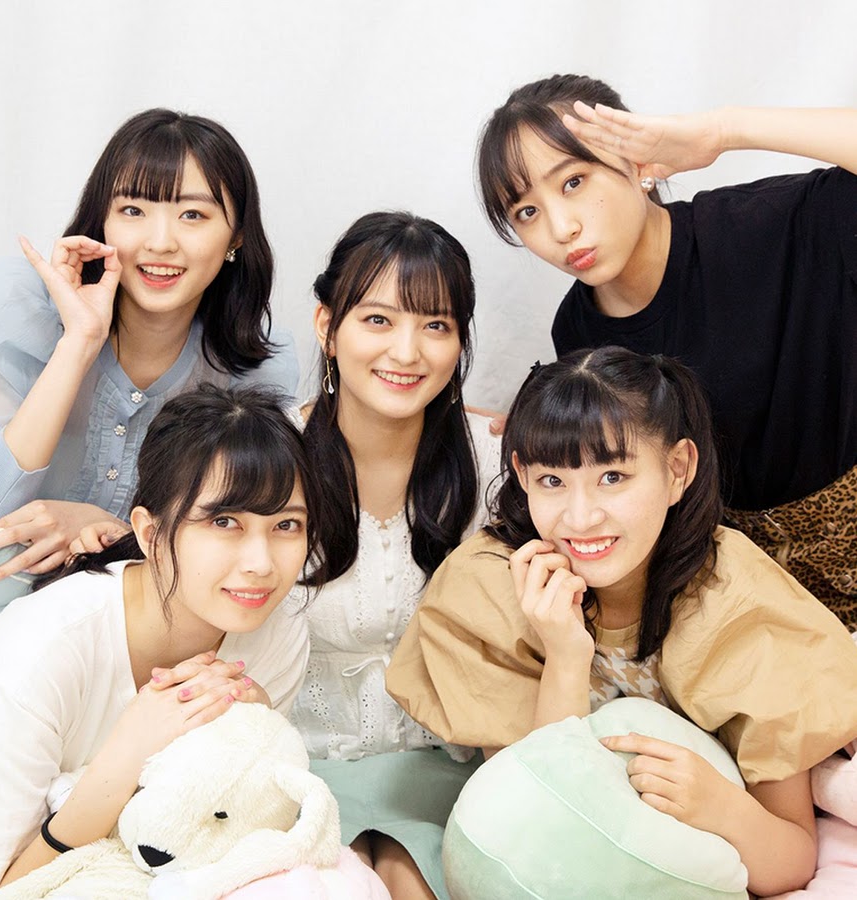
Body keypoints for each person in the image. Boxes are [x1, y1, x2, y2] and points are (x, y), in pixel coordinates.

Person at [387, 347, 857, 897]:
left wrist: (721, 807)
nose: (581, 517)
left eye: (612, 476)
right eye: (552, 481)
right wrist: (565, 655)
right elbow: (539, 819)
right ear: (520, 474)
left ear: (678, 469)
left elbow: (792, 860)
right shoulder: (491, 587)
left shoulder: (739, 603)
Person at [475, 74, 857, 627]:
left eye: (574, 181)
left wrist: (723, 130)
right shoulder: (578, 333)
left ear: (637, 163)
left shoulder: (765, 224)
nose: (561, 227)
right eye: (526, 212)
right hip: (743, 601)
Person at [0, 383, 318, 897]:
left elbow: (229, 832)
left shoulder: (275, 630)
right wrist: (124, 759)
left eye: (286, 525)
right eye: (224, 521)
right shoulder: (35, 659)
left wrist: (253, 731)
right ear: (149, 534)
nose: (262, 564)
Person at [0, 108, 298, 637]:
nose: (160, 242)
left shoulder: (255, 372)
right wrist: (79, 343)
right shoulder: (15, 311)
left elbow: (230, 552)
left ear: (236, 237)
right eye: (133, 209)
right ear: (102, 222)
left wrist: (110, 531)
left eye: (193, 215)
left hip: (130, 635)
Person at [285, 211, 502, 900]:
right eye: (378, 320)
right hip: (299, 776)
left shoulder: (500, 465)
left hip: (455, 773)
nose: (407, 352)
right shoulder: (267, 459)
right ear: (327, 327)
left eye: (436, 325)